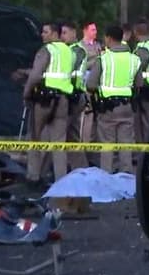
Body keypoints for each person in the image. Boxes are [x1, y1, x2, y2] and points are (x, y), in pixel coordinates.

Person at [85, 25, 140, 174]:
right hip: (127, 107)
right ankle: (126, 176)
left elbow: (90, 84)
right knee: (126, 144)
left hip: (107, 108)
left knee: (107, 144)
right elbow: (139, 84)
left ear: (108, 38)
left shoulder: (103, 59)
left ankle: (106, 177)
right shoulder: (134, 59)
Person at [23, 21, 73, 183]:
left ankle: (33, 176)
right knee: (59, 143)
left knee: (35, 138)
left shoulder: (46, 50)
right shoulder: (69, 52)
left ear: (54, 34)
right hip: (63, 100)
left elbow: (36, 75)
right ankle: (61, 180)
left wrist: (27, 93)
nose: (42, 35)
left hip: (44, 100)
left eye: (45, 32)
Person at [68, 21, 102, 169]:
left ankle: (92, 153)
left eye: (96, 30)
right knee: (83, 123)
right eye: (93, 30)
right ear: (85, 30)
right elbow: (83, 64)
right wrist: (96, 60)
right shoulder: (79, 48)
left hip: (98, 87)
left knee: (95, 122)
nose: (95, 32)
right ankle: (83, 152)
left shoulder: (98, 46)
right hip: (84, 87)